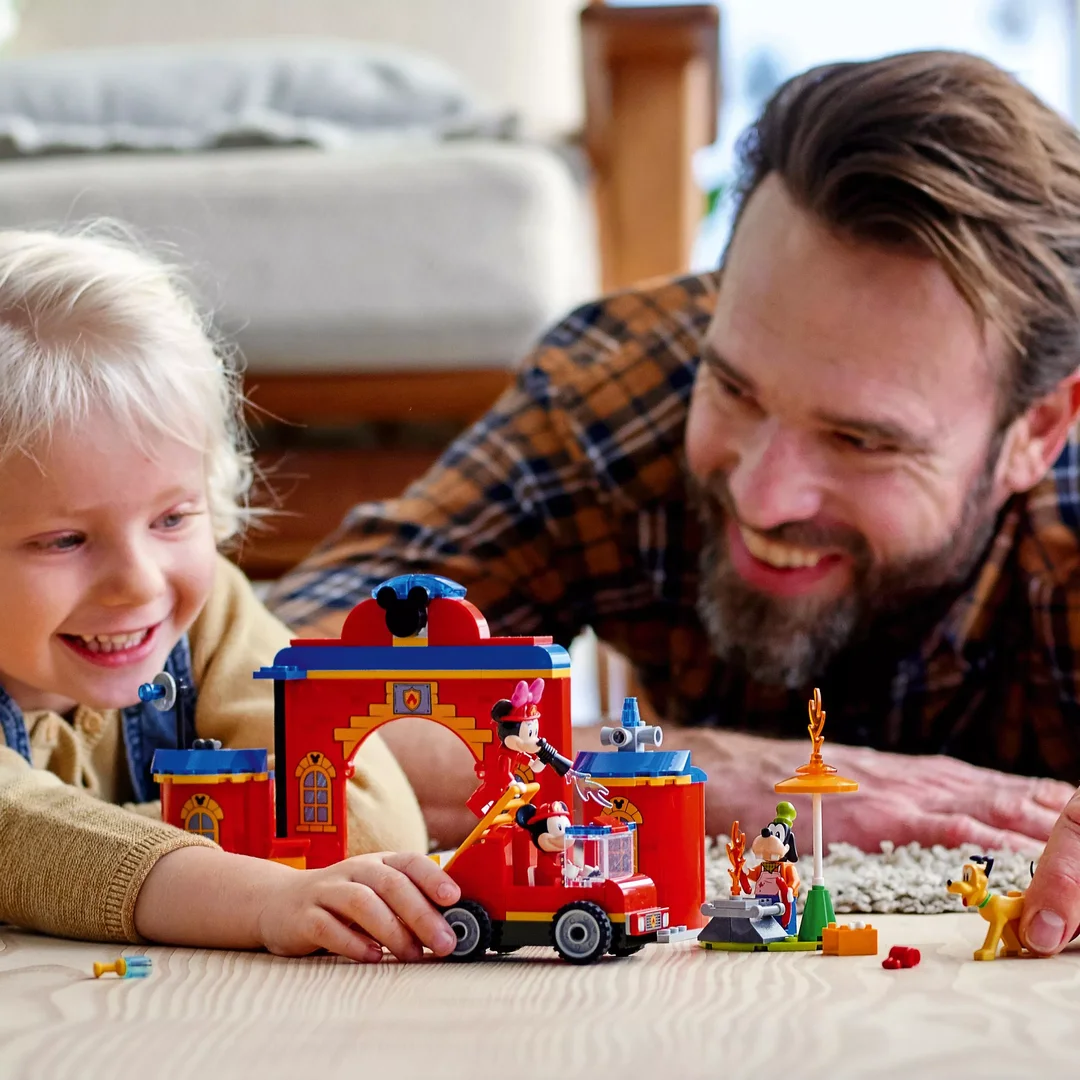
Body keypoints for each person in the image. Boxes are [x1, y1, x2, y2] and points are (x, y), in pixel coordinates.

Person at [267, 50, 1080, 958]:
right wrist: (689, 775)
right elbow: (250, 677)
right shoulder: (619, 392)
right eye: (733, 388)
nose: (763, 496)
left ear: (1038, 430)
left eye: (862, 440)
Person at [0, 228, 461, 963]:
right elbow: (16, 833)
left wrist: (113, 841)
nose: (142, 582)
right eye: (64, 540)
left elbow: (371, 825)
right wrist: (259, 895)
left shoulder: (209, 618)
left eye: (173, 518)